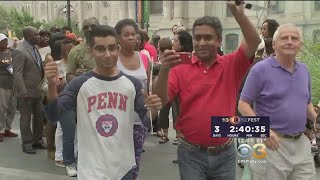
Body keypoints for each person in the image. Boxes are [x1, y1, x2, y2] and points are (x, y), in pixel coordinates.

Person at [155, 1, 260, 179]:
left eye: (208, 38)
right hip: (191, 154)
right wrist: (164, 70)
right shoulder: (179, 69)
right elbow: (161, 99)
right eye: (198, 38)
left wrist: (239, 14)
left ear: (219, 40)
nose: (202, 42)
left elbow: (254, 41)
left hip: (225, 154)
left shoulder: (231, 64)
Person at [44, 25, 162, 180]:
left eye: (111, 48)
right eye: (100, 49)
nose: (107, 54)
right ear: (91, 51)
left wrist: (154, 108)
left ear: (118, 49)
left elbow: (146, 121)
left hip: (122, 168)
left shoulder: (132, 84)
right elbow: (53, 116)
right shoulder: (79, 85)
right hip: (91, 169)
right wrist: (52, 85)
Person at [238, 23, 317, 180]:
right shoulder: (260, 70)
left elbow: (306, 102)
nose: (289, 41)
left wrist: (316, 119)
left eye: (294, 38)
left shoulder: (304, 71)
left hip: (300, 143)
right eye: (284, 38)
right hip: (271, 143)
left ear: (300, 44)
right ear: (274, 44)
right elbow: (243, 104)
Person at [115, 18, 151, 180]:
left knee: (134, 162)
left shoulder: (144, 57)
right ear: (118, 38)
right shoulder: (112, 59)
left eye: (133, 34)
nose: (131, 38)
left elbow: (148, 86)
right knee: (116, 162)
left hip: (139, 120)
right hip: (117, 120)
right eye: (126, 35)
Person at [12, 26, 47, 154]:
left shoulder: (35, 49)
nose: (39, 37)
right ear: (28, 36)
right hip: (26, 91)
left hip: (38, 90)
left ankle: (37, 140)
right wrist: (23, 91)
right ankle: (27, 143)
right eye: (36, 35)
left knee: (39, 116)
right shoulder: (20, 51)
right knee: (25, 118)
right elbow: (17, 73)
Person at [66, 17, 100, 83]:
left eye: (93, 26)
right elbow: (69, 76)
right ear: (83, 30)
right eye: (86, 27)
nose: (89, 29)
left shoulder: (110, 49)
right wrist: (77, 77)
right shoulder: (75, 51)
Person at [0, 33, 18, 142]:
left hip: (13, 83)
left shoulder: (12, 53)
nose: (5, 44)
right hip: (1, 83)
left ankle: (7, 128)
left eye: (6, 41)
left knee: (12, 107)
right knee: (2, 107)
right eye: (2, 42)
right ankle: (0, 129)